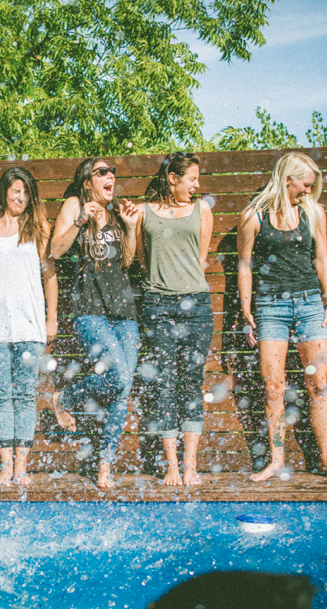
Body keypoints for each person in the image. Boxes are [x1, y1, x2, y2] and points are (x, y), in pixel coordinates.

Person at [236, 152, 327, 481]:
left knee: (318, 384)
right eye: (305, 184)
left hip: (310, 304)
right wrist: (246, 309)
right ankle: (276, 461)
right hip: (270, 307)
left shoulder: (313, 213)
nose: (308, 191)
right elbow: (244, 265)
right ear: (287, 179)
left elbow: (322, 260)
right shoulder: (253, 216)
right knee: (273, 386)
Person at [49, 157, 141, 488]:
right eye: (102, 172)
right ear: (88, 180)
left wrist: (130, 228)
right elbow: (55, 251)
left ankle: (105, 464)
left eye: (112, 171)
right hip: (89, 309)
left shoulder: (117, 211)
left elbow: (127, 261)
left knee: (123, 386)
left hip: (124, 313)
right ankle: (67, 399)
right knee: (117, 375)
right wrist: (81, 221)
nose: (111, 176)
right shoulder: (74, 204)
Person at [0, 167, 59, 487]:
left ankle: (22, 467)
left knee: (24, 395)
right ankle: (5, 466)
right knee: (0, 395)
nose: (20, 197)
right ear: (4, 191)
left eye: (26, 193)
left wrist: (51, 319)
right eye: (15, 191)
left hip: (29, 324)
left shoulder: (38, 228)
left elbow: (50, 276)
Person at [135, 153, 214, 487]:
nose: (197, 186)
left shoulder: (202, 211)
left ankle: (191, 465)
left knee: (191, 383)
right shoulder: (143, 212)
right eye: (192, 179)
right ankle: (171, 467)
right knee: (164, 383)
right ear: (172, 178)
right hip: (157, 305)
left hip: (196, 305)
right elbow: (141, 258)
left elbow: (201, 259)